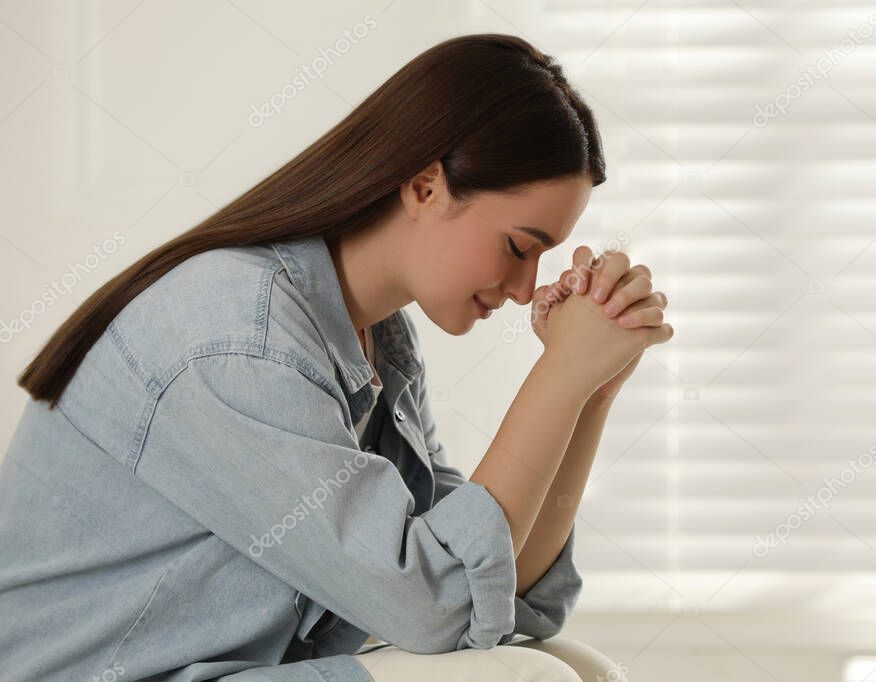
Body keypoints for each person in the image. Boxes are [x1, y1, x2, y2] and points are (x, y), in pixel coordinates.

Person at [0, 34, 670, 681]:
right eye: (520, 247)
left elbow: (501, 585)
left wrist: (591, 390)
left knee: (570, 666)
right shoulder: (239, 336)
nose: (526, 288)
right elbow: (435, 606)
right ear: (425, 187)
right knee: (520, 676)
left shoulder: (382, 341)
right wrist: (559, 375)